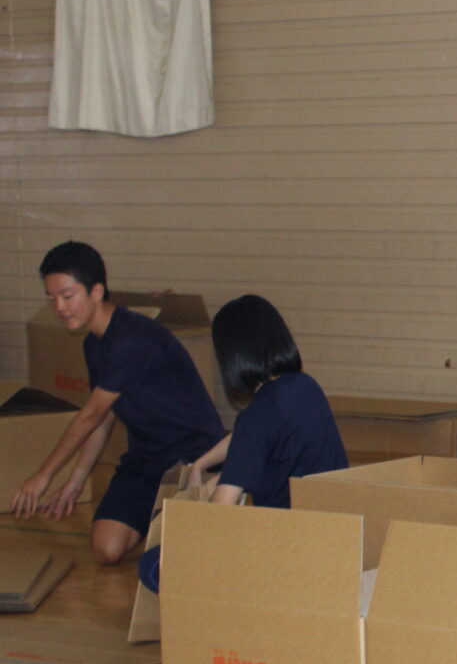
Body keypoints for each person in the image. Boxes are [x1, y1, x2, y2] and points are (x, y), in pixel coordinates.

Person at [10, 242, 225, 565]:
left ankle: (175, 520)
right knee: (105, 549)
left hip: (192, 458)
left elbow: (90, 416)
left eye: (67, 296)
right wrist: (77, 478)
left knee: (182, 557)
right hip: (145, 460)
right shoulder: (93, 344)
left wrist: (43, 475)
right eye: (51, 298)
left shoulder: (132, 340)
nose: (59, 307)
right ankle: (160, 520)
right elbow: (105, 415)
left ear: (96, 291)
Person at [139, 295, 348, 593]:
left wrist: (187, 535)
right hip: (335, 540)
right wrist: (202, 464)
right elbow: (252, 440)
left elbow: (221, 513)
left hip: (289, 551)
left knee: (150, 564)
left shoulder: (258, 414)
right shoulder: (306, 387)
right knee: (218, 484)